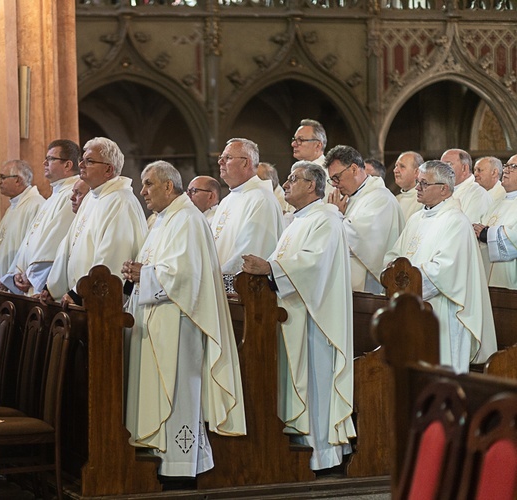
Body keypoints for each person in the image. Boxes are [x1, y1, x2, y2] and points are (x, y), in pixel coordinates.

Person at [123, 161, 245, 484]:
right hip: (156, 324)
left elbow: (185, 276)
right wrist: (136, 274)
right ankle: (162, 465)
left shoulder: (187, 219)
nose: (142, 191)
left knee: (177, 399)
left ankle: (179, 470)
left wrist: (144, 275)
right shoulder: (162, 220)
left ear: (168, 186)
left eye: (148, 184)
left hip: (178, 328)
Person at [241, 161, 355, 472]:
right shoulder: (297, 221)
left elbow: (313, 266)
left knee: (316, 385)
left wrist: (271, 268)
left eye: (294, 179)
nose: (287, 184)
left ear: (312, 186)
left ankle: (323, 456)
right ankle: (305, 450)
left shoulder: (326, 220)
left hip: (318, 323)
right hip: (294, 317)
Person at [384, 160, 497, 374]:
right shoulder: (417, 218)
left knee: (441, 374)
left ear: (444, 189)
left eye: (424, 184)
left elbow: (445, 270)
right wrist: (392, 272)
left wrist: (408, 281)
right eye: (418, 182)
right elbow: (394, 254)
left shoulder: (456, 221)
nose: (417, 188)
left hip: (443, 312)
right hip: (411, 311)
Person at [44, 137, 147, 305]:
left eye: (89, 161)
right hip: (78, 297)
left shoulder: (121, 201)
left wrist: (79, 294)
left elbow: (112, 256)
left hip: (98, 302)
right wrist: (51, 288)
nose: (81, 165)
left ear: (108, 170)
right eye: (82, 160)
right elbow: (68, 244)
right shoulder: (93, 197)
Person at [0, 140, 81, 295]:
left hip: (45, 281)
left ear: (67, 165)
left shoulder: (72, 193)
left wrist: (31, 275)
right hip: (30, 279)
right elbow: (30, 239)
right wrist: (18, 272)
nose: (44, 163)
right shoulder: (54, 196)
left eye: (50, 159)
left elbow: (54, 240)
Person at [325, 146, 404, 294]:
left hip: (371, 289)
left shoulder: (380, 198)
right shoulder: (351, 198)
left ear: (354, 169)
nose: (335, 184)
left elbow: (359, 238)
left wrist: (335, 216)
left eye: (337, 177)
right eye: (332, 180)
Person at [210, 138, 284, 283]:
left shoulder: (261, 199)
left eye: (228, 158)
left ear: (245, 162)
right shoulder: (228, 200)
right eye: (221, 158)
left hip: (242, 291)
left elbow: (248, 254)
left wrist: (212, 279)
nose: (220, 162)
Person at [0, 159, 45, 288]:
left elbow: (32, 248)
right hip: (1, 280)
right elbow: (0, 245)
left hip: (18, 282)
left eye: (3, 177)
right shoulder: (12, 207)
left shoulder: (36, 205)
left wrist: (11, 278)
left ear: (18, 180)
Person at [473, 154, 517, 289]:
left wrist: (488, 235)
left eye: (513, 167)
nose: (507, 170)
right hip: (484, 281)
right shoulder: (496, 202)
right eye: (507, 166)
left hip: (507, 284)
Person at [441, 148, 492, 222]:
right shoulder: (440, 189)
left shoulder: (478, 195)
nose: (441, 170)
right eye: (440, 165)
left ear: (464, 168)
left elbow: (468, 228)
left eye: (448, 164)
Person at [291, 119, 332, 199]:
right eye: (294, 139)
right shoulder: (298, 168)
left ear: (318, 145)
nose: (293, 144)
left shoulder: (327, 173)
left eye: (300, 140)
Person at [393, 151, 424, 222]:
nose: (395, 170)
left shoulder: (424, 201)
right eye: (396, 166)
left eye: (402, 166)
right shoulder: (395, 199)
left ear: (416, 172)